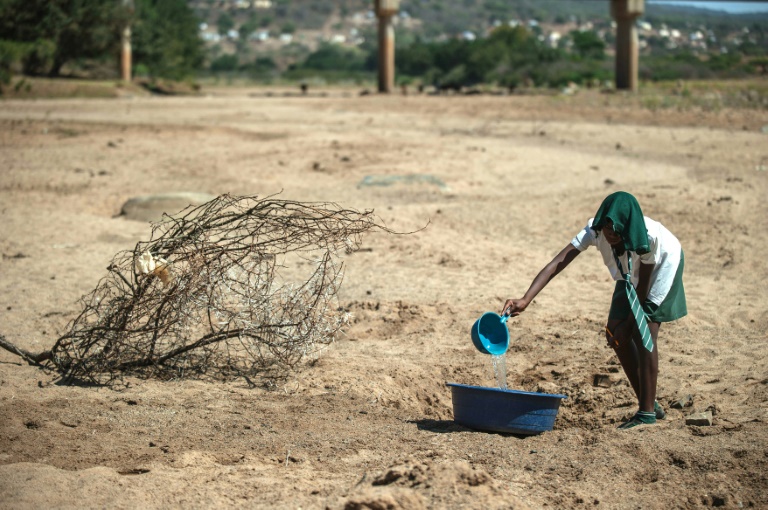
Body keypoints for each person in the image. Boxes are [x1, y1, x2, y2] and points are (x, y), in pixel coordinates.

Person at [501, 191, 687, 429]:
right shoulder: (594, 229)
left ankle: (647, 413)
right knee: (614, 333)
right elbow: (559, 262)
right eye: (607, 228)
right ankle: (650, 402)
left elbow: (642, 292)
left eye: (616, 230)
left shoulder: (647, 238)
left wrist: (630, 325)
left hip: (661, 265)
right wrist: (525, 299)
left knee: (645, 331)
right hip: (629, 271)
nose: (610, 234)